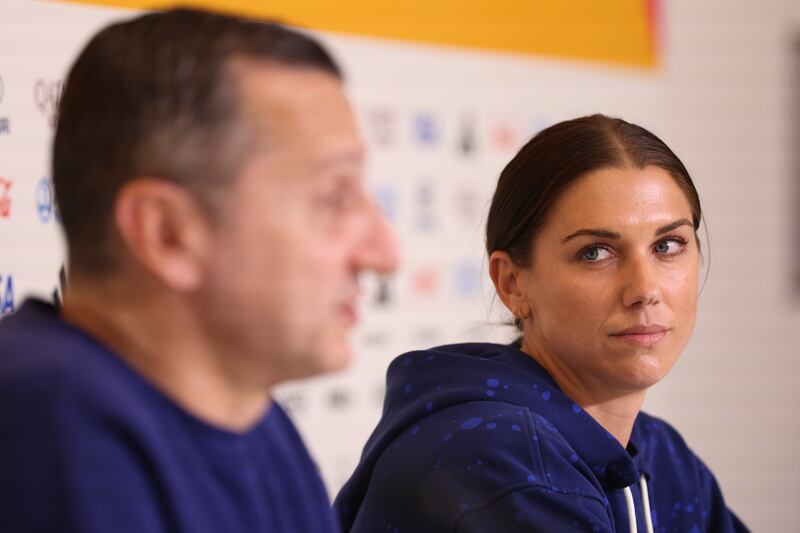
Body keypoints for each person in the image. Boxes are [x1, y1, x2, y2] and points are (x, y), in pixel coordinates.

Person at [0, 7, 396, 533]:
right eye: (334, 197)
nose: (384, 254)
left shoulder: (254, 419)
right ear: (168, 233)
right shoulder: (49, 425)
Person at [335, 114, 749, 533]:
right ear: (513, 283)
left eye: (668, 245)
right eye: (595, 253)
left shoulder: (662, 455)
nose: (645, 289)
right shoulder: (501, 456)